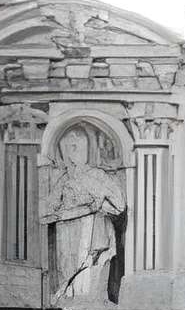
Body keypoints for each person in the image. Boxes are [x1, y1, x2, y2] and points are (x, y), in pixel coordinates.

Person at [43, 126, 126, 301]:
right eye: (67, 147)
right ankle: (68, 297)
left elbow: (119, 206)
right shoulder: (64, 179)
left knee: (86, 271)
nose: (71, 154)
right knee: (66, 267)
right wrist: (56, 213)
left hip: (91, 229)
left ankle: (85, 299)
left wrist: (94, 206)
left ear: (86, 149)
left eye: (76, 147)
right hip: (65, 230)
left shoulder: (97, 175)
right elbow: (49, 206)